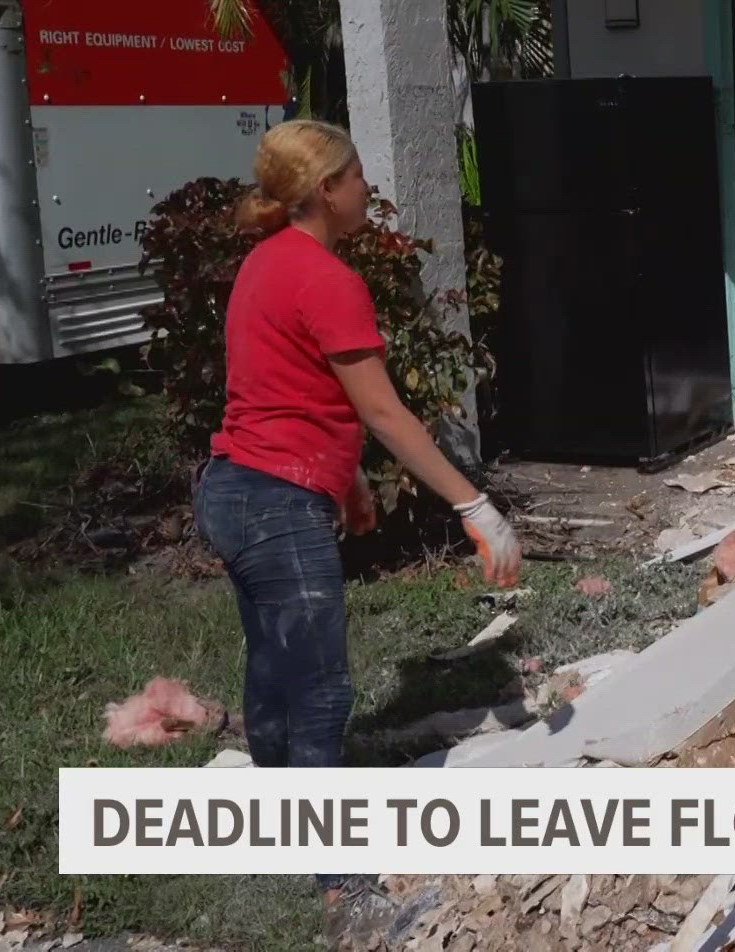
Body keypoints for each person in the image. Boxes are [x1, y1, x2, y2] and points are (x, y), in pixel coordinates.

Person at [192, 119, 520, 930]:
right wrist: (473, 504)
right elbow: (382, 409)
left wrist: (346, 484)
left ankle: (277, 822)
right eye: (358, 175)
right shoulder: (327, 278)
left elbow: (286, 387)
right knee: (322, 687)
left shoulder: (266, 264)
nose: (368, 187)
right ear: (326, 190)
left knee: (274, 666)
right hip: (275, 502)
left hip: (234, 491)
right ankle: (342, 885)